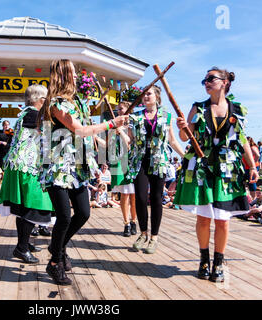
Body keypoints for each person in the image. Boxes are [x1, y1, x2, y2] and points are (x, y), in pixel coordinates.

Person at [38, 59, 128, 285]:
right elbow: (79, 131)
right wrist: (110, 124)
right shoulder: (57, 104)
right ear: (63, 75)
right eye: (73, 73)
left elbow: (84, 135)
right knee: (64, 216)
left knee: (84, 213)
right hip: (58, 167)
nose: (77, 77)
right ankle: (55, 262)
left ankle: (56, 246)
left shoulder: (77, 102)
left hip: (77, 166)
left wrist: (98, 152)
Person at [175, 67, 258, 282]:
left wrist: (253, 167)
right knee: (204, 219)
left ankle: (218, 263)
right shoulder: (198, 107)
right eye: (204, 80)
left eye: (211, 78)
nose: (206, 82)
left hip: (227, 172)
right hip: (202, 169)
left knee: (222, 220)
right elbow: (185, 138)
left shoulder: (237, 109)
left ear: (225, 82)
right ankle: (203, 259)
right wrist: (183, 126)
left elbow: (242, 140)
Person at [0, 84, 54, 264]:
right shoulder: (34, 115)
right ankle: (21, 248)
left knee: (24, 209)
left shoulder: (25, 113)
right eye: (47, 99)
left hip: (20, 166)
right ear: (40, 100)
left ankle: (24, 243)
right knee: (35, 205)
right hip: (27, 167)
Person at [127, 85, 185, 254]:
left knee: (157, 198)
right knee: (140, 197)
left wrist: (185, 156)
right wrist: (120, 131)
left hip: (159, 161)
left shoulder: (166, 116)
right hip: (140, 161)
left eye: (149, 93)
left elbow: (172, 141)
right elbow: (129, 140)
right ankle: (143, 233)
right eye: (144, 94)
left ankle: (154, 237)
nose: (145, 96)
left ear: (157, 97)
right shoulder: (135, 116)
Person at [110, 101, 137, 237]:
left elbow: (131, 144)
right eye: (117, 110)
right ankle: (126, 223)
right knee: (125, 194)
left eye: (121, 109)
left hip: (132, 162)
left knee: (134, 196)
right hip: (120, 162)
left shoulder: (133, 125)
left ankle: (134, 221)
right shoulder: (115, 126)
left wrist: (122, 132)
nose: (119, 111)